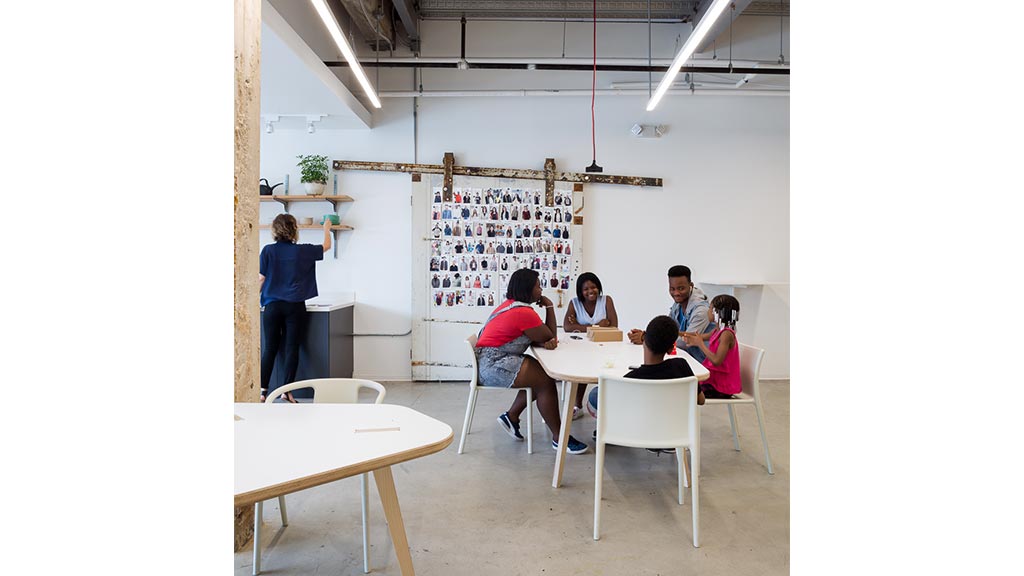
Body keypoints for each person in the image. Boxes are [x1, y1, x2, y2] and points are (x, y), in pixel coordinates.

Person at [476, 268, 588, 454]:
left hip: (488, 359)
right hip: (493, 364)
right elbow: (550, 335)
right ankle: (560, 438)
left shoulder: (511, 305)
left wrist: (544, 339)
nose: (541, 290)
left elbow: (540, 336)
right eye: (538, 286)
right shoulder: (524, 313)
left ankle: (511, 417)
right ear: (527, 288)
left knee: (540, 374)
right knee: (545, 380)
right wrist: (550, 307)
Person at [587, 315, 705, 444]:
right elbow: (701, 400)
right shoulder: (681, 366)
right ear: (671, 349)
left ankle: (613, 429)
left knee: (596, 394)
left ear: (644, 340)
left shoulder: (631, 379)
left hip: (633, 434)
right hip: (672, 433)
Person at [259, 214, 331, 403]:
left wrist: (253, 301)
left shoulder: (267, 251)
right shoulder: (302, 251)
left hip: (272, 306)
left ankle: (262, 392)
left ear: (274, 230)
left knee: (270, 349)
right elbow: (326, 247)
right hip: (295, 306)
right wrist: (326, 229)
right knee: (292, 348)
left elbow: (261, 278)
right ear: (294, 230)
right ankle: (286, 391)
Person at [563, 272, 619, 419]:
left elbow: (613, 326)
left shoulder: (606, 301)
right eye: (586, 289)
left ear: (598, 287)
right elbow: (567, 327)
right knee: (581, 369)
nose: (590, 291)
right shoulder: (574, 303)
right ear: (580, 291)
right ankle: (577, 405)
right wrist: (597, 325)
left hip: (604, 346)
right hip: (581, 348)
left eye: (593, 287)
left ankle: (606, 409)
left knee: (608, 371)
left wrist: (580, 326)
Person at [628, 265, 712, 362]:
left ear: (691, 286)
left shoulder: (701, 310)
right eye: (672, 289)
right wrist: (648, 335)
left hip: (702, 363)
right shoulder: (678, 303)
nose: (676, 293)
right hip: (685, 359)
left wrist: (647, 339)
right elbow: (667, 330)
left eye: (681, 288)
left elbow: (685, 342)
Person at [682, 294, 742, 399]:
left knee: (686, 389)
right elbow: (698, 336)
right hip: (714, 381)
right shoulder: (717, 331)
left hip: (721, 387)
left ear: (718, 313)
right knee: (685, 384)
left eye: (710, 308)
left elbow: (717, 360)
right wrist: (676, 333)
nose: (708, 312)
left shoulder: (726, 334)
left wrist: (700, 344)